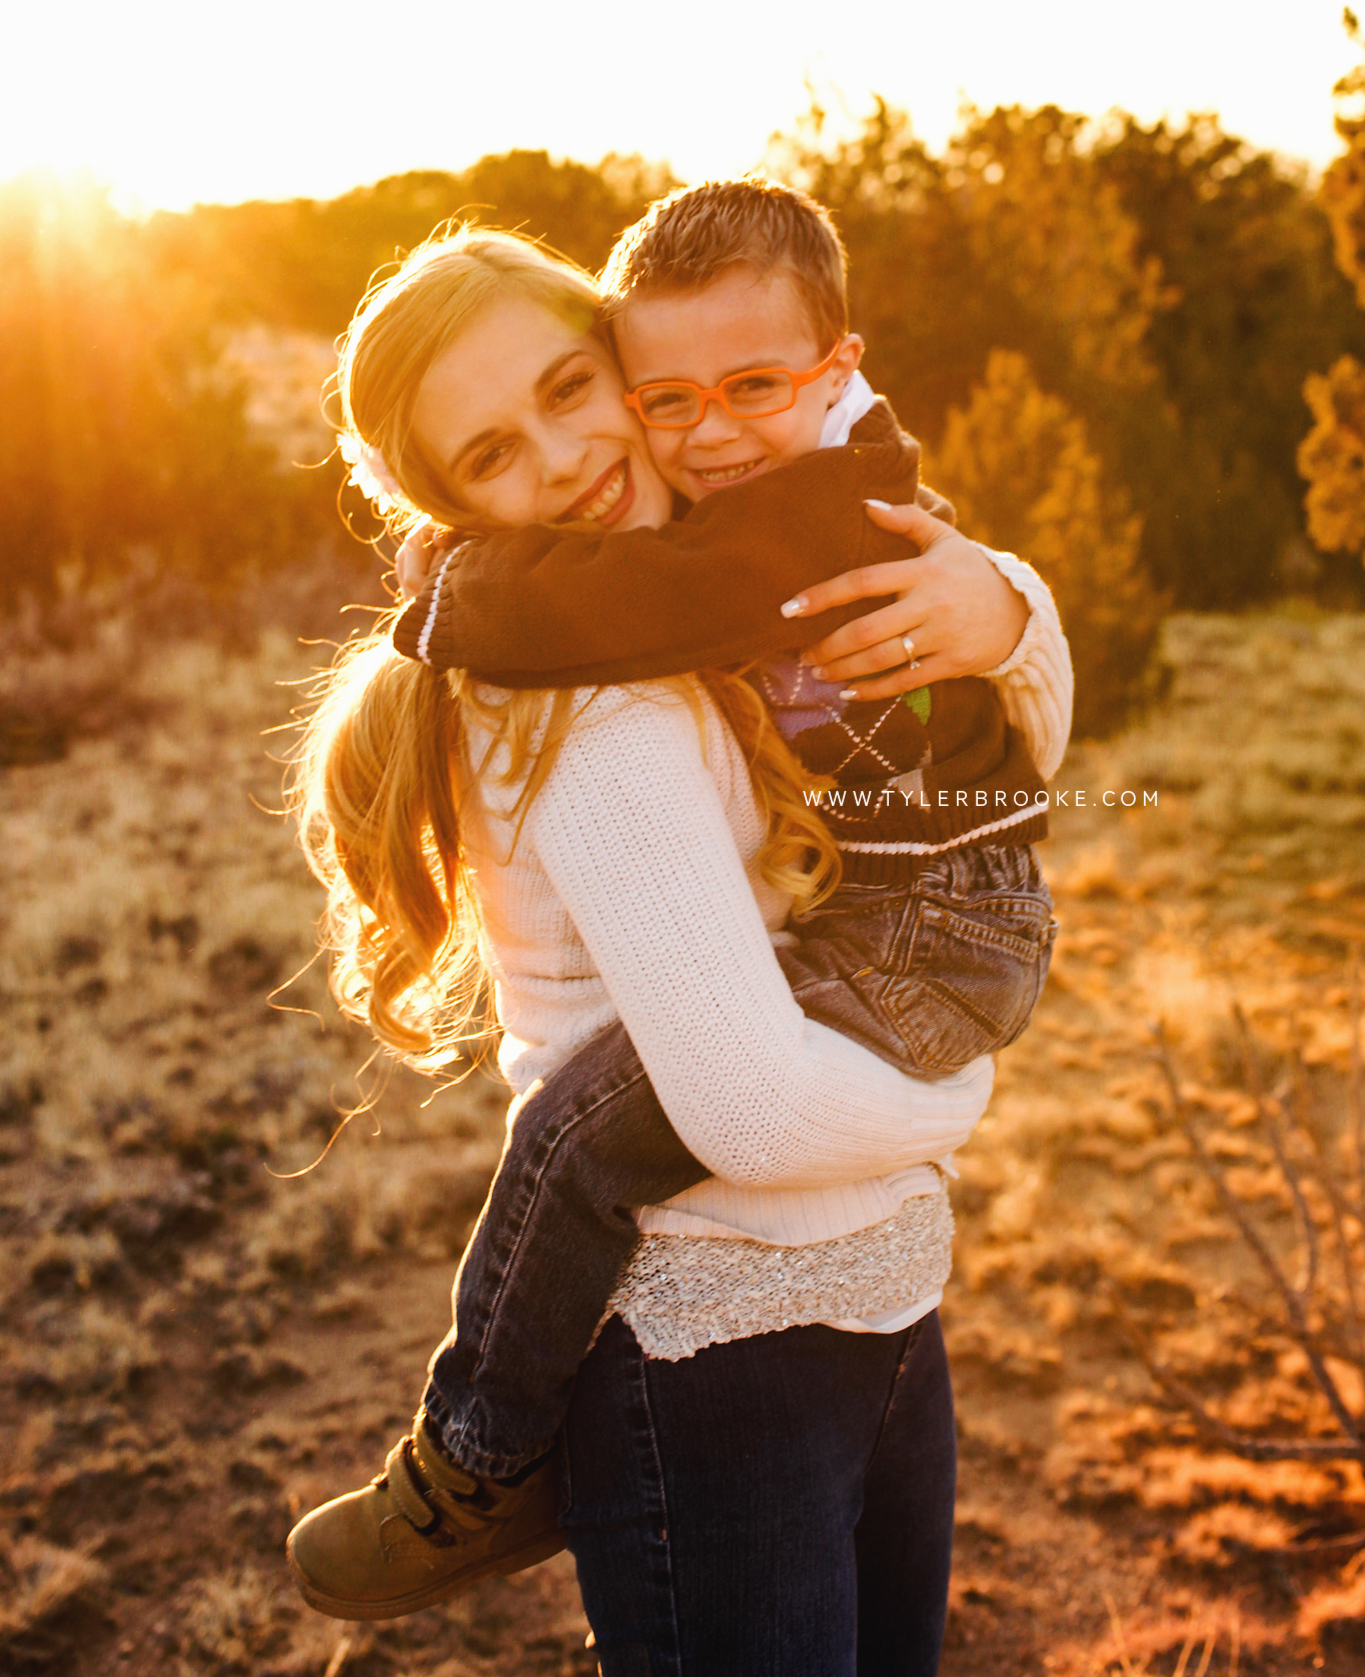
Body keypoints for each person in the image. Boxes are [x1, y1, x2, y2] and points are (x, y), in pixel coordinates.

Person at [286, 223, 1071, 1673]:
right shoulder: (597, 699)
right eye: (493, 456)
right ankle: (478, 1457)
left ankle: (480, 1448)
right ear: (452, 503)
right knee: (583, 1128)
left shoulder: (704, 576)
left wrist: (1001, 604)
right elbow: (750, 1108)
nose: (567, 460)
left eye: (572, 390)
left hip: (875, 1290)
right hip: (712, 1356)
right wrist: (952, 1111)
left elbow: (1009, 745)